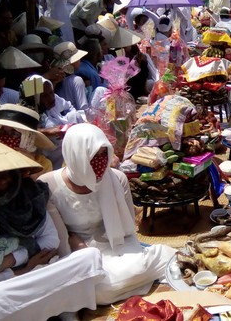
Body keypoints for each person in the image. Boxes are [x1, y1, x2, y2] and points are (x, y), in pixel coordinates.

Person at [39, 124, 176, 304]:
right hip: (78, 253)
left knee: (151, 263)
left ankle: (142, 268)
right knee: (98, 289)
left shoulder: (117, 178)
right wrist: (80, 249)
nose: (101, 161)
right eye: (94, 155)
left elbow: (128, 228)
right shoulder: (48, 185)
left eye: (104, 154)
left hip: (117, 244)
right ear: (75, 154)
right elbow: (61, 241)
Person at [0, 136, 105, 320]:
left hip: (38, 270)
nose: (1, 181)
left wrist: (19, 258)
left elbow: (50, 240)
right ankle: (58, 306)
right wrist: (21, 268)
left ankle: (59, 308)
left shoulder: (29, 196)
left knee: (89, 257)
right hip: (2, 283)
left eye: (5, 174)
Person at [0, 103, 55, 178]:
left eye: (14, 133)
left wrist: (30, 167)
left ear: (28, 138)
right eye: (1, 132)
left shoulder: (43, 164)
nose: (6, 138)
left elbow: (41, 187)